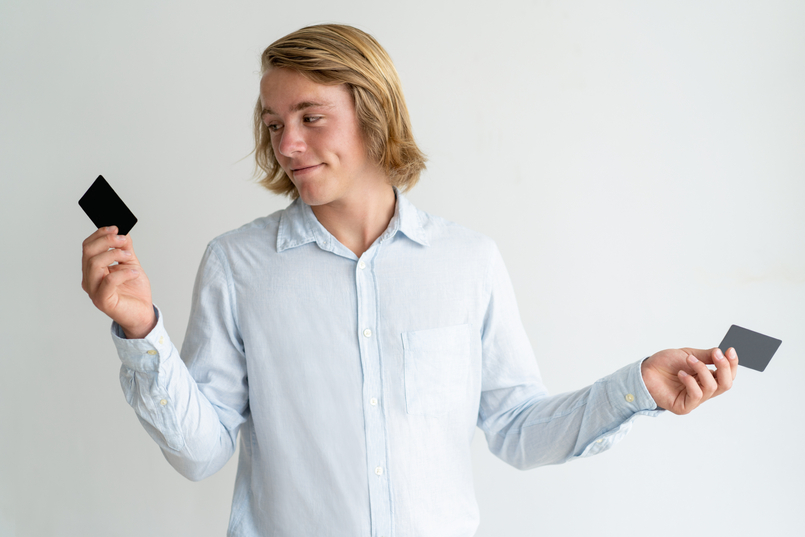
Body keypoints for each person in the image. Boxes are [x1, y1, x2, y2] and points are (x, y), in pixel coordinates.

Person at [80, 24, 738, 537]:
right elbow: (201, 452)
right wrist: (141, 330)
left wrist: (637, 387)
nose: (287, 145)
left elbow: (517, 427)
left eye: (310, 117)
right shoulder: (237, 265)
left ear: (371, 112)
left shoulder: (466, 261)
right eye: (275, 124)